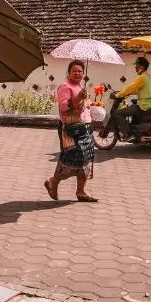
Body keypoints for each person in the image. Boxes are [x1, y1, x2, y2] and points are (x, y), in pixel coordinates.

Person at [46, 60, 98, 202]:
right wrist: (78, 97)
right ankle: (53, 181)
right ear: (68, 73)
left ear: (83, 73)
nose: (77, 73)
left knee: (86, 160)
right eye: (74, 71)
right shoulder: (65, 87)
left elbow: (83, 106)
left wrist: (93, 103)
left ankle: (81, 191)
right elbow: (63, 107)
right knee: (70, 159)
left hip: (85, 129)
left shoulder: (81, 87)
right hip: (72, 130)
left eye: (80, 71)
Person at [111, 55, 151, 136]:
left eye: (136, 66)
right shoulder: (148, 77)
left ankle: (127, 133)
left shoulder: (141, 78)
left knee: (117, 113)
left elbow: (130, 87)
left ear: (141, 67)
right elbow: (141, 90)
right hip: (150, 104)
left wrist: (118, 95)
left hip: (144, 106)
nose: (135, 68)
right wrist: (130, 93)